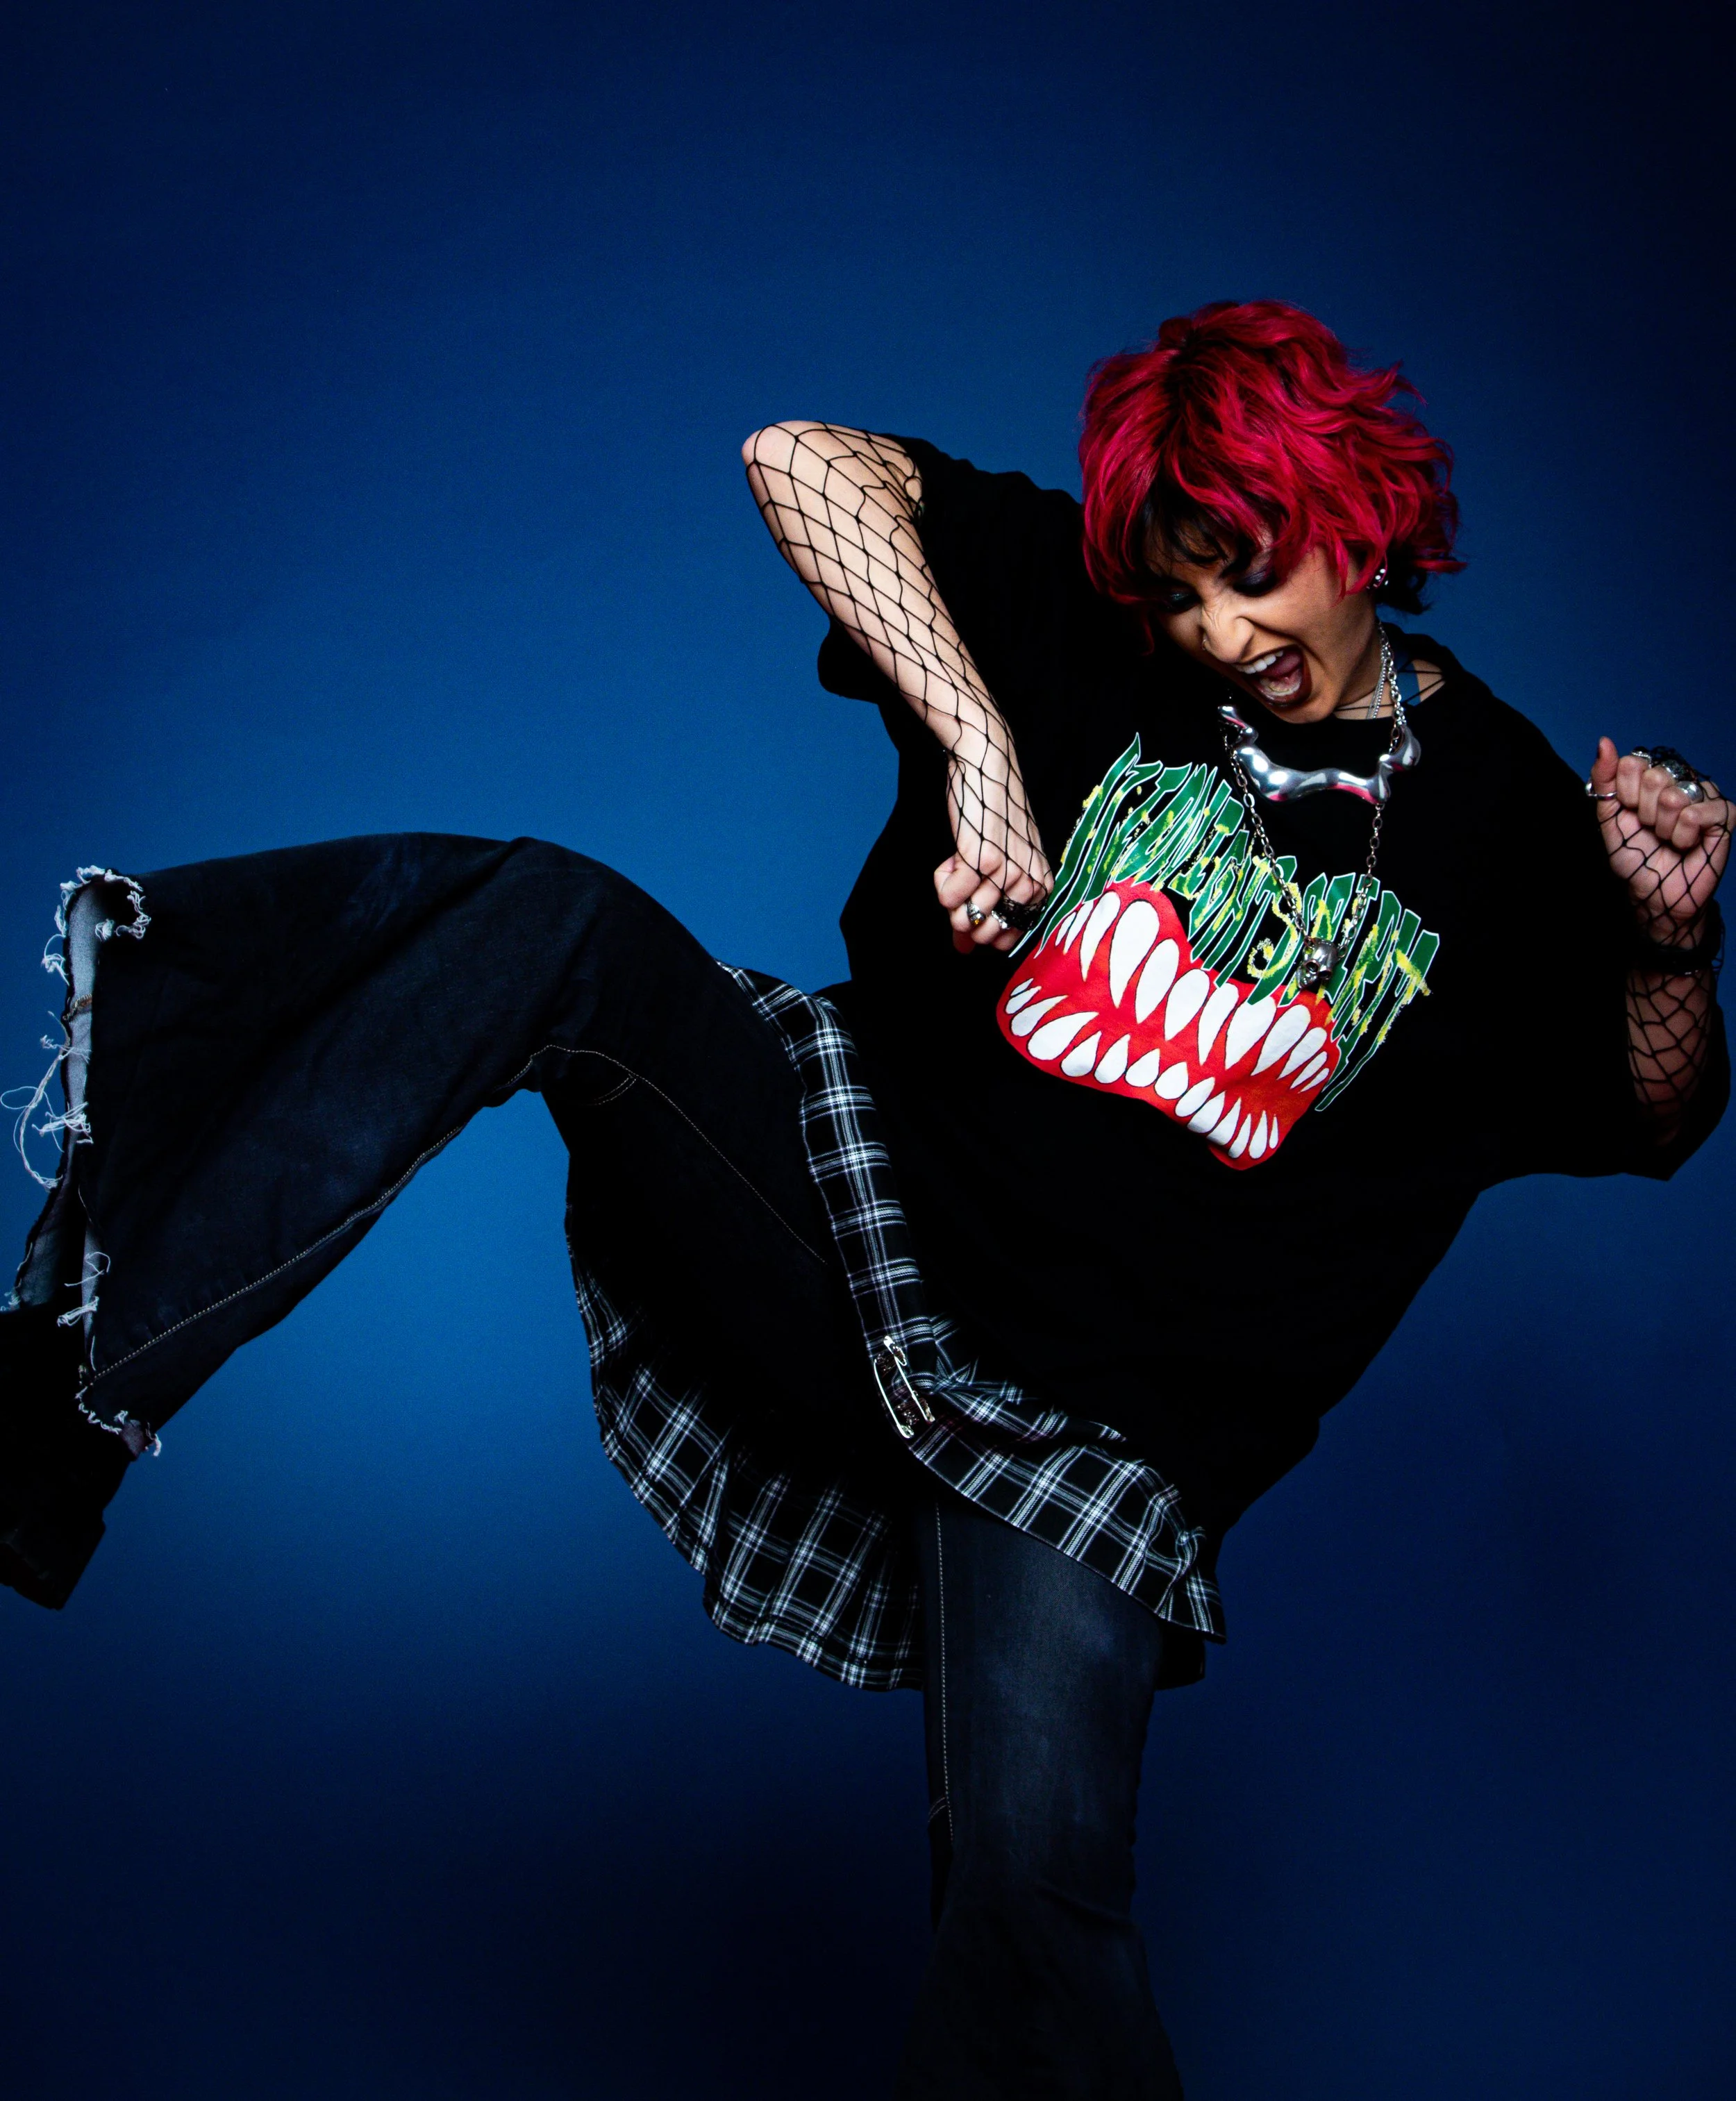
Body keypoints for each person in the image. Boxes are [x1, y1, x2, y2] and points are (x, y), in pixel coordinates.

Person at [2, 300, 1727, 2098]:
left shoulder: (1500, 816)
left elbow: (1652, 1109)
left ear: (1360, 517)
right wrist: (977, 747)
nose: (1221, 635)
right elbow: (803, 461)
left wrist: (1667, 944)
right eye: (1179, 596)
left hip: (1086, 1436)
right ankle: (59, 1395)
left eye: (1254, 574)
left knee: (1034, 1902)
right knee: (551, 929)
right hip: (849, 1208)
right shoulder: (1091, 621)